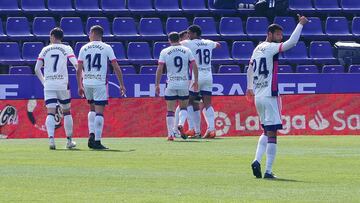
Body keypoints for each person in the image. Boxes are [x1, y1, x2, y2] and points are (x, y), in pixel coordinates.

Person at [247, 15, 308, 179]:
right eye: (278, 35)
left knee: (265, 131)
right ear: (270, 34)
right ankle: (267, 170)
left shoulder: (257, 48)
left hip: (258, 95)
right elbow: (292, 43)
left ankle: (256, 160)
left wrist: (249, 87)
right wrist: (300, 25)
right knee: (273, 133)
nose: (280, 38)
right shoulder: (270, 47)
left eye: (281, 35)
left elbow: (249, 69)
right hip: (269, 95)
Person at [76, 25, 126, 150]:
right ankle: (97, 141)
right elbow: (115, 66)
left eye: (89, 33)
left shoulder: (84, 48)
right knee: (99, 111)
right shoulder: (106, 47)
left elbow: (78, 69)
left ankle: (91, 135)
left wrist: (79, 85)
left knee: (91, 108)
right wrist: (121, 84)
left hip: (87, 82)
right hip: (99, 82)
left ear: (93, 33)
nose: (88, 35)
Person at [35, 27, 78, 150]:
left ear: (53, 36)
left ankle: (51, 140)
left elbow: (37, 69)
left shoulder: (45, 49)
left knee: (50, 112)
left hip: (49, 84)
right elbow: (75, 64)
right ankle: (69, 141)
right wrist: (82, 78)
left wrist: (44, 82)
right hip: (63, 84)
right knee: (66, 112)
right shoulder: (67, 48)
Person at [155, 32, 199, 141]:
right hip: (183, 82)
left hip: (171, 83)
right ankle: (180, 124)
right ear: (179, 39)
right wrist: (196, 80)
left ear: (169, 40)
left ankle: (170, 134)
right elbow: (194, 65)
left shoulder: (165, 51)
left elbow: (160, 68)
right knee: (183, 107)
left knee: (170, 110)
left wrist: (157, 84)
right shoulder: (186, 50)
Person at [181, 25, 220, 139]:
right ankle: (211, 130)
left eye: (189, 33)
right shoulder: (208, 42)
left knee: (188, 102)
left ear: (194, 34)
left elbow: (178, 44)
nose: (188, 35)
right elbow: (218, 45)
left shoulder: (189, 43)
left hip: (197, 75)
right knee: (207, 103)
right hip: (208, 75)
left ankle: (193, 129)